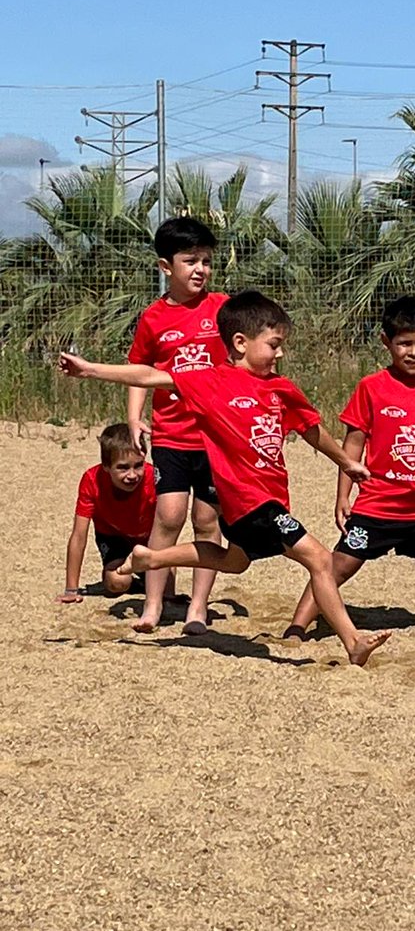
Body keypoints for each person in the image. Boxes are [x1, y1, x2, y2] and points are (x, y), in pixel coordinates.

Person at [59, 291, 391, 667]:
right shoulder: (210, 382)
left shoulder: (281, 388)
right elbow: (151, 374)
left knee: (234, 562)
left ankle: (153, 558)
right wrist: (90, 370)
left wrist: (345, 462)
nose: (280, 354)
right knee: (319, 559)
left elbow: (312, 430)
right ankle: (353, 641)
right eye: (273, 345)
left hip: (266, 501)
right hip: (251, 502)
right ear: (239, 343)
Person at [284, 294, 415, 640]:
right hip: (377, 504)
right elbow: (352, 446)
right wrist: (343, 495)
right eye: (405, 343)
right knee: (338, 565)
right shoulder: (370, 388)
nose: (414, 352)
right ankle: (298, 626)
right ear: (387, 342)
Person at [127, 215, 230, 635]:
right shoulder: (153, 317)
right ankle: (153, 606)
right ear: (165, 266)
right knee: (169, 515)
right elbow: (139, 368)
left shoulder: (223, 308)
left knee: (208, 520)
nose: (200, 269)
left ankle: (198, 608)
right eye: (190, 260)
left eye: (206, 260)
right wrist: (135, 417)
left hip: (215, 436)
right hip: (171, 434)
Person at [56, 423, 157, 604]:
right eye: (123, 467)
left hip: (148, 537)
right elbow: (79, 535)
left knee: (163, 584)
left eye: (138, 465)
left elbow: (169, 523)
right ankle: (131, 578)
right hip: (112, 535)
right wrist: (71, 589)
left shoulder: (153, 477)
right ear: (106, 466)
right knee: (116, 583)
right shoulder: (92, 480)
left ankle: (145, 577)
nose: (132, 475)